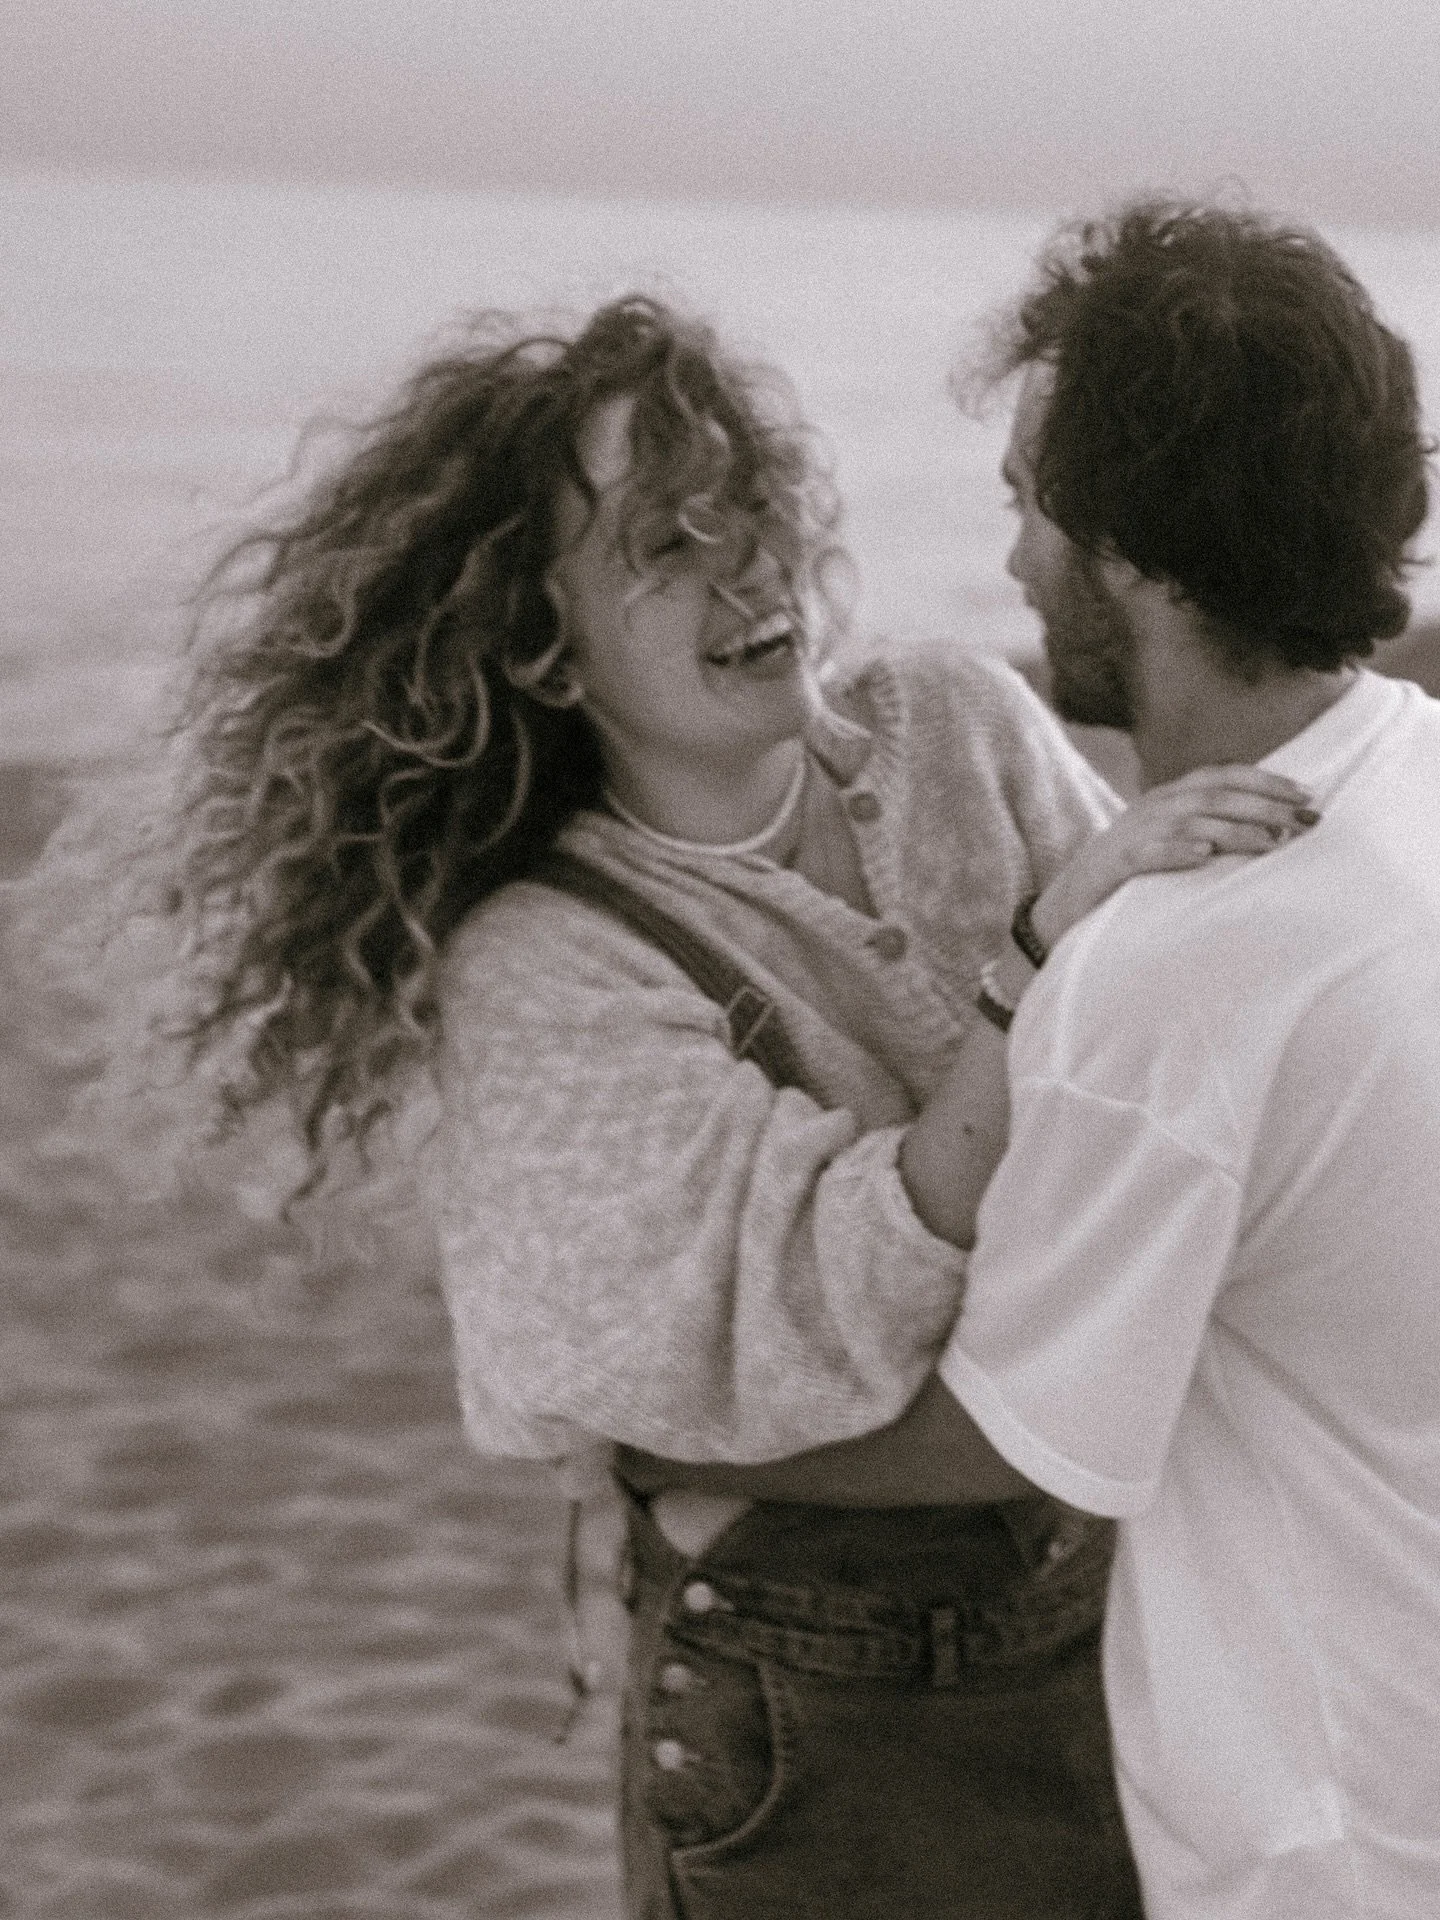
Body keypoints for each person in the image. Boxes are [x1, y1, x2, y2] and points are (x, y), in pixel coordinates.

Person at [159, 292, 1314, 1918]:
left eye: (751, 515)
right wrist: (1042, 958)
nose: (751, 571)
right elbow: (833, 1310)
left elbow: (1148, 1091)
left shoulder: (957, 726)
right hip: (810, 1700)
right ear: (542, 646)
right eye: (667, 546)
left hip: (1093, 1610)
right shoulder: (548, 965)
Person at [638, 202, 1440, 1919]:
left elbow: (993, 1441)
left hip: (1334, 1831)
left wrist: (648, 1445)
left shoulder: (1178, 965)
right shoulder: (1422, 783)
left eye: (1028, 504)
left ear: (1138, 554)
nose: (1011, 562)